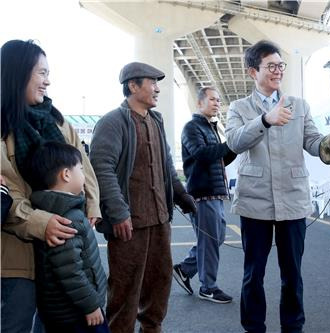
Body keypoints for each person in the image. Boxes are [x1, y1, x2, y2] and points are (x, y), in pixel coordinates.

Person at [225, 40, 330, 333]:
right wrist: (265, 119)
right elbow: (234, 143)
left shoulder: (299, 106)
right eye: (270, 66)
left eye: (280, 65)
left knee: (293, 274)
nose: (278, 71)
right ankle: (253, 328)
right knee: (254, 273)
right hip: (255, 203)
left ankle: (293, 327)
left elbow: (315, 143)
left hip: (292, 200)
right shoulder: (239, 108)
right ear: (253, 72)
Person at [0, 39, 101, 333]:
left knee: (59, 323)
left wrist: (92, 203)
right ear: (18, 73)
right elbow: (8, 193)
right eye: (41, 73)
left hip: (64, 245)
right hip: (17, 256)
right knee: (16, 324)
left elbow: (82, 163)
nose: (48, 81)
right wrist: (40, 222)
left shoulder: (58, 122)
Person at [90, 61, 197, 333]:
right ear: (133, 86)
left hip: (160, 220)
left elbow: (166, 167)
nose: (157, 89)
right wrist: (118, 212)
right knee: (125, 288)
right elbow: (102, 168)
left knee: (159, 283)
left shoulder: (156, 121)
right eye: (152, 83)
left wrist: (183, 196)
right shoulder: (113, 122)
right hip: (128, 223)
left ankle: (152, 329)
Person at [27, 141, 108, 332]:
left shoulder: (48, 211)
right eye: (81, 169)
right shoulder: (67, 217)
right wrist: (91, 305)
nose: (83, 175)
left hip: (63, 311)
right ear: (66, 174)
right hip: (79, 313)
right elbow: (70, 272)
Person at [173, 87, 237, 304]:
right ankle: (208, 287)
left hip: (215, 193)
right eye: (212, 99)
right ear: (199, 103)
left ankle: (184, 269)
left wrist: (233, 148)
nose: (217, 103)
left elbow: (220, 160)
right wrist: (227, 145)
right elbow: (201, 154)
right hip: (202, 194)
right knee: (210, 240)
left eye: (219, 100)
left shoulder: (210, 128)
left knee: (215, 238)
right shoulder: (191, 127)